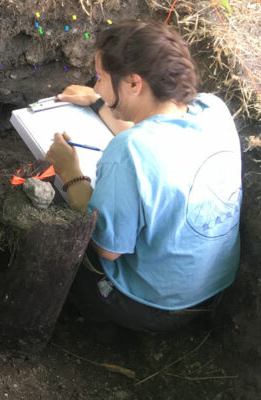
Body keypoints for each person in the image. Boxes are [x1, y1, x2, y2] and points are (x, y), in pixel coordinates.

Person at [46, 20, 241, 331]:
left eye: (101, 79)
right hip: (210, 293)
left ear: (134, 84)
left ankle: (81, 315)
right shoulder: (214, 110)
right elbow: (151, 133)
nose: (96, 86)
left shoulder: (130, 149)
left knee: (56, 206)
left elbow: (108, 250)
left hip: (149, 306)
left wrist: (70, 171)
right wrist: (100, 104)